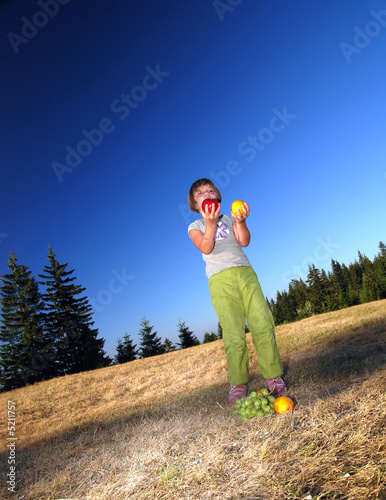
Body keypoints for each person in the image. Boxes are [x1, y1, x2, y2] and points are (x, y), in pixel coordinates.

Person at [187, 178, 287, 404]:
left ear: (218, 196)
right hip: (220, 280)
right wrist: (210, 223)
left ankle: (273, 376)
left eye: (210, 190)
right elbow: (206, 246)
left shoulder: (231, 217)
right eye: (200, 193)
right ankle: (238, 383)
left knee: (262, 322)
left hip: (245, 273)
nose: (207, 193)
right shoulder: (195, 227)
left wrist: (241, 221)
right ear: (195, 204)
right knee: (233, 332)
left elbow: (244, 241)